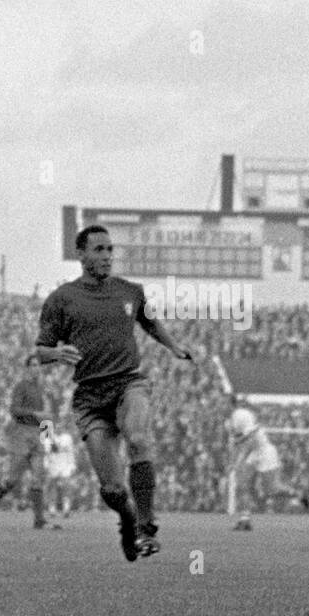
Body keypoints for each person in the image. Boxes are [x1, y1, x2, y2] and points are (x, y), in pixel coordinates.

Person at [34, 224, 193, 561]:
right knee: (113, 489)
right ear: (81, 254)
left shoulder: (130, 292)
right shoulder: (62, 299)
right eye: (99, 250)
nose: (106, 256)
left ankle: (147, 527)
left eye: (109, 249)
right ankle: (127, 519)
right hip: (90, 398)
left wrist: (175, 347)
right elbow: (41, 350)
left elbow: (150, 323)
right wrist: (57, 353)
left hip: (128, 383)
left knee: (138, 439)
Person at [0, 354, 55, 529]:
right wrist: (35, 415)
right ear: (28, 368)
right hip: (21, 435)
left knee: (38, 478)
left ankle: (39, 520)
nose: (37, 368)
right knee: (11, 480)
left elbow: (48, 416)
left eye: (38, 365)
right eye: (33, 365)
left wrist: (48, 440)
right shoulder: (21, 387)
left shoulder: (43, 389)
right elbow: (14, 410)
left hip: (37, 436)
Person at [225, 401, 293, 531]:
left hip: (264, 451)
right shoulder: (228, 423)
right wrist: (232, 461)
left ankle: (297, 495)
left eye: (224, 403)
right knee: (241, 484)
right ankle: (245, 520)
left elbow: (250, 440)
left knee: (272, 489)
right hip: (253, 453)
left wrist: (238, 462)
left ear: (231, 404)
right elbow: (235, 445)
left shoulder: (242, 415)